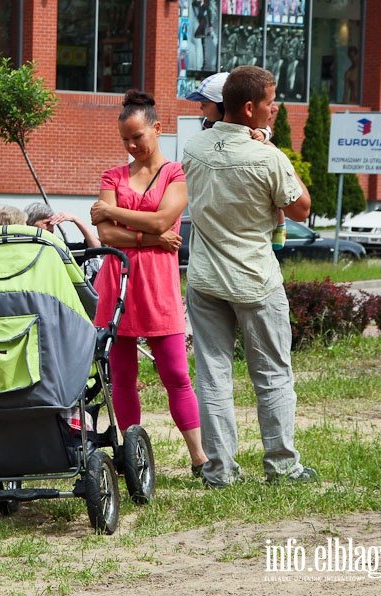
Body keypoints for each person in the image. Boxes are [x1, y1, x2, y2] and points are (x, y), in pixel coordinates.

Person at [181, 65, 315, 488]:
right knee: (272, 374)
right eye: (271, 102)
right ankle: (281, 466)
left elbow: (217, 145)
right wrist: (276, 153)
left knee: (213, 375)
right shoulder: (268, 157)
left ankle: (219, 470)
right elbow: (301, 209)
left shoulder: (193, 147)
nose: (276, 108)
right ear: (250, 107)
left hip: (204, 280)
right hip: (256, 281)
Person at [89, 90, 209, 478]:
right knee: (123, 378)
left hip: (158, 287)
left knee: (176, 375)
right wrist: (152, 238)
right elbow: (108, 235)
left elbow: (163, 220)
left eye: (138, 136)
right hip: (118, 283)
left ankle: (199, 459)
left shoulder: (175, 173)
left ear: (157, 129)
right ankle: (131, 456)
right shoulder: (112, 175)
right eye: (125, 139)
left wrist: (115, 212)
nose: (131, 145)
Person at [187, 71, 286, 249]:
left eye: (204, 104)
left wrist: (263, 138)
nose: (201, 109)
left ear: (223, 105)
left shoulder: (259, 138)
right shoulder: (205, 131)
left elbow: (300, 207)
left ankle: (280, 225)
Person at [24, 202, 100, 250]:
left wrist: (76, 219)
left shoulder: (57, 245)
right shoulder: (19, 243)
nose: (51, 229)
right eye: (46, 224)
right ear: (30, 224)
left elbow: (95, 248)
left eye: (53, 224)